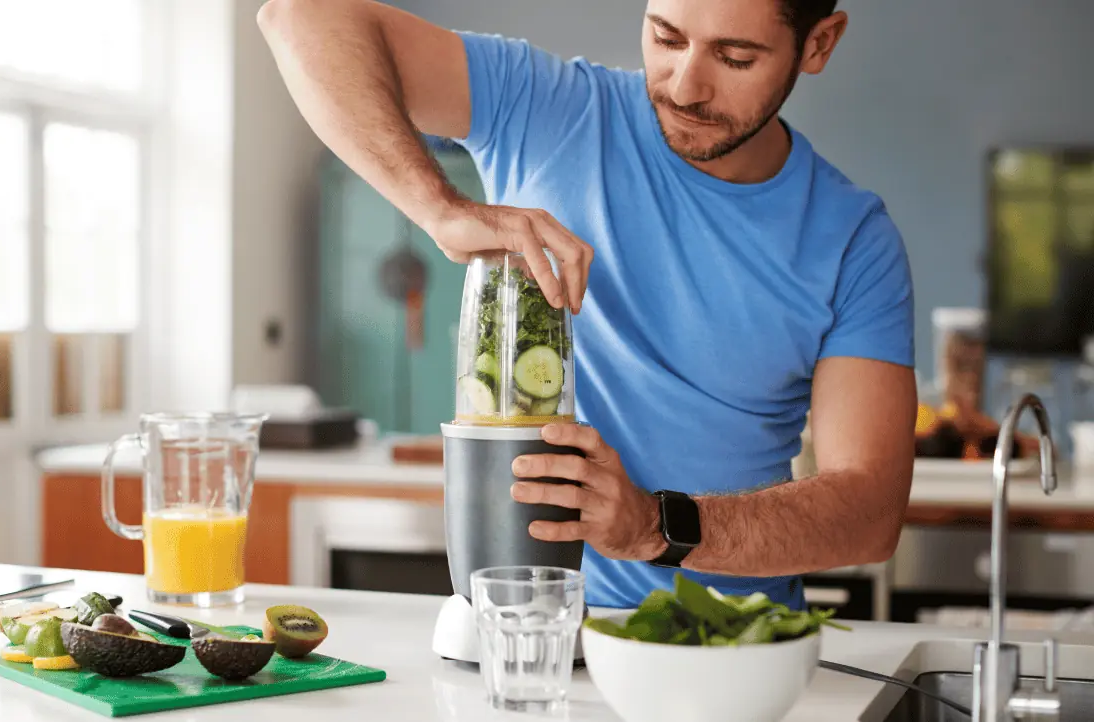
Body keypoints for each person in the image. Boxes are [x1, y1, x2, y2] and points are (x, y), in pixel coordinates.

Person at [258, 0, 917, 611]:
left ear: (818, 44)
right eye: (666, 38)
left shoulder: (853, 240)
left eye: (735, 57)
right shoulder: (547, 106)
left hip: (736, 649)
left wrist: (654, 526)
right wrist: (440, 209)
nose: (685, 87)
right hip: (528, 638)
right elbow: (299, 18)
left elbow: (868, 512)